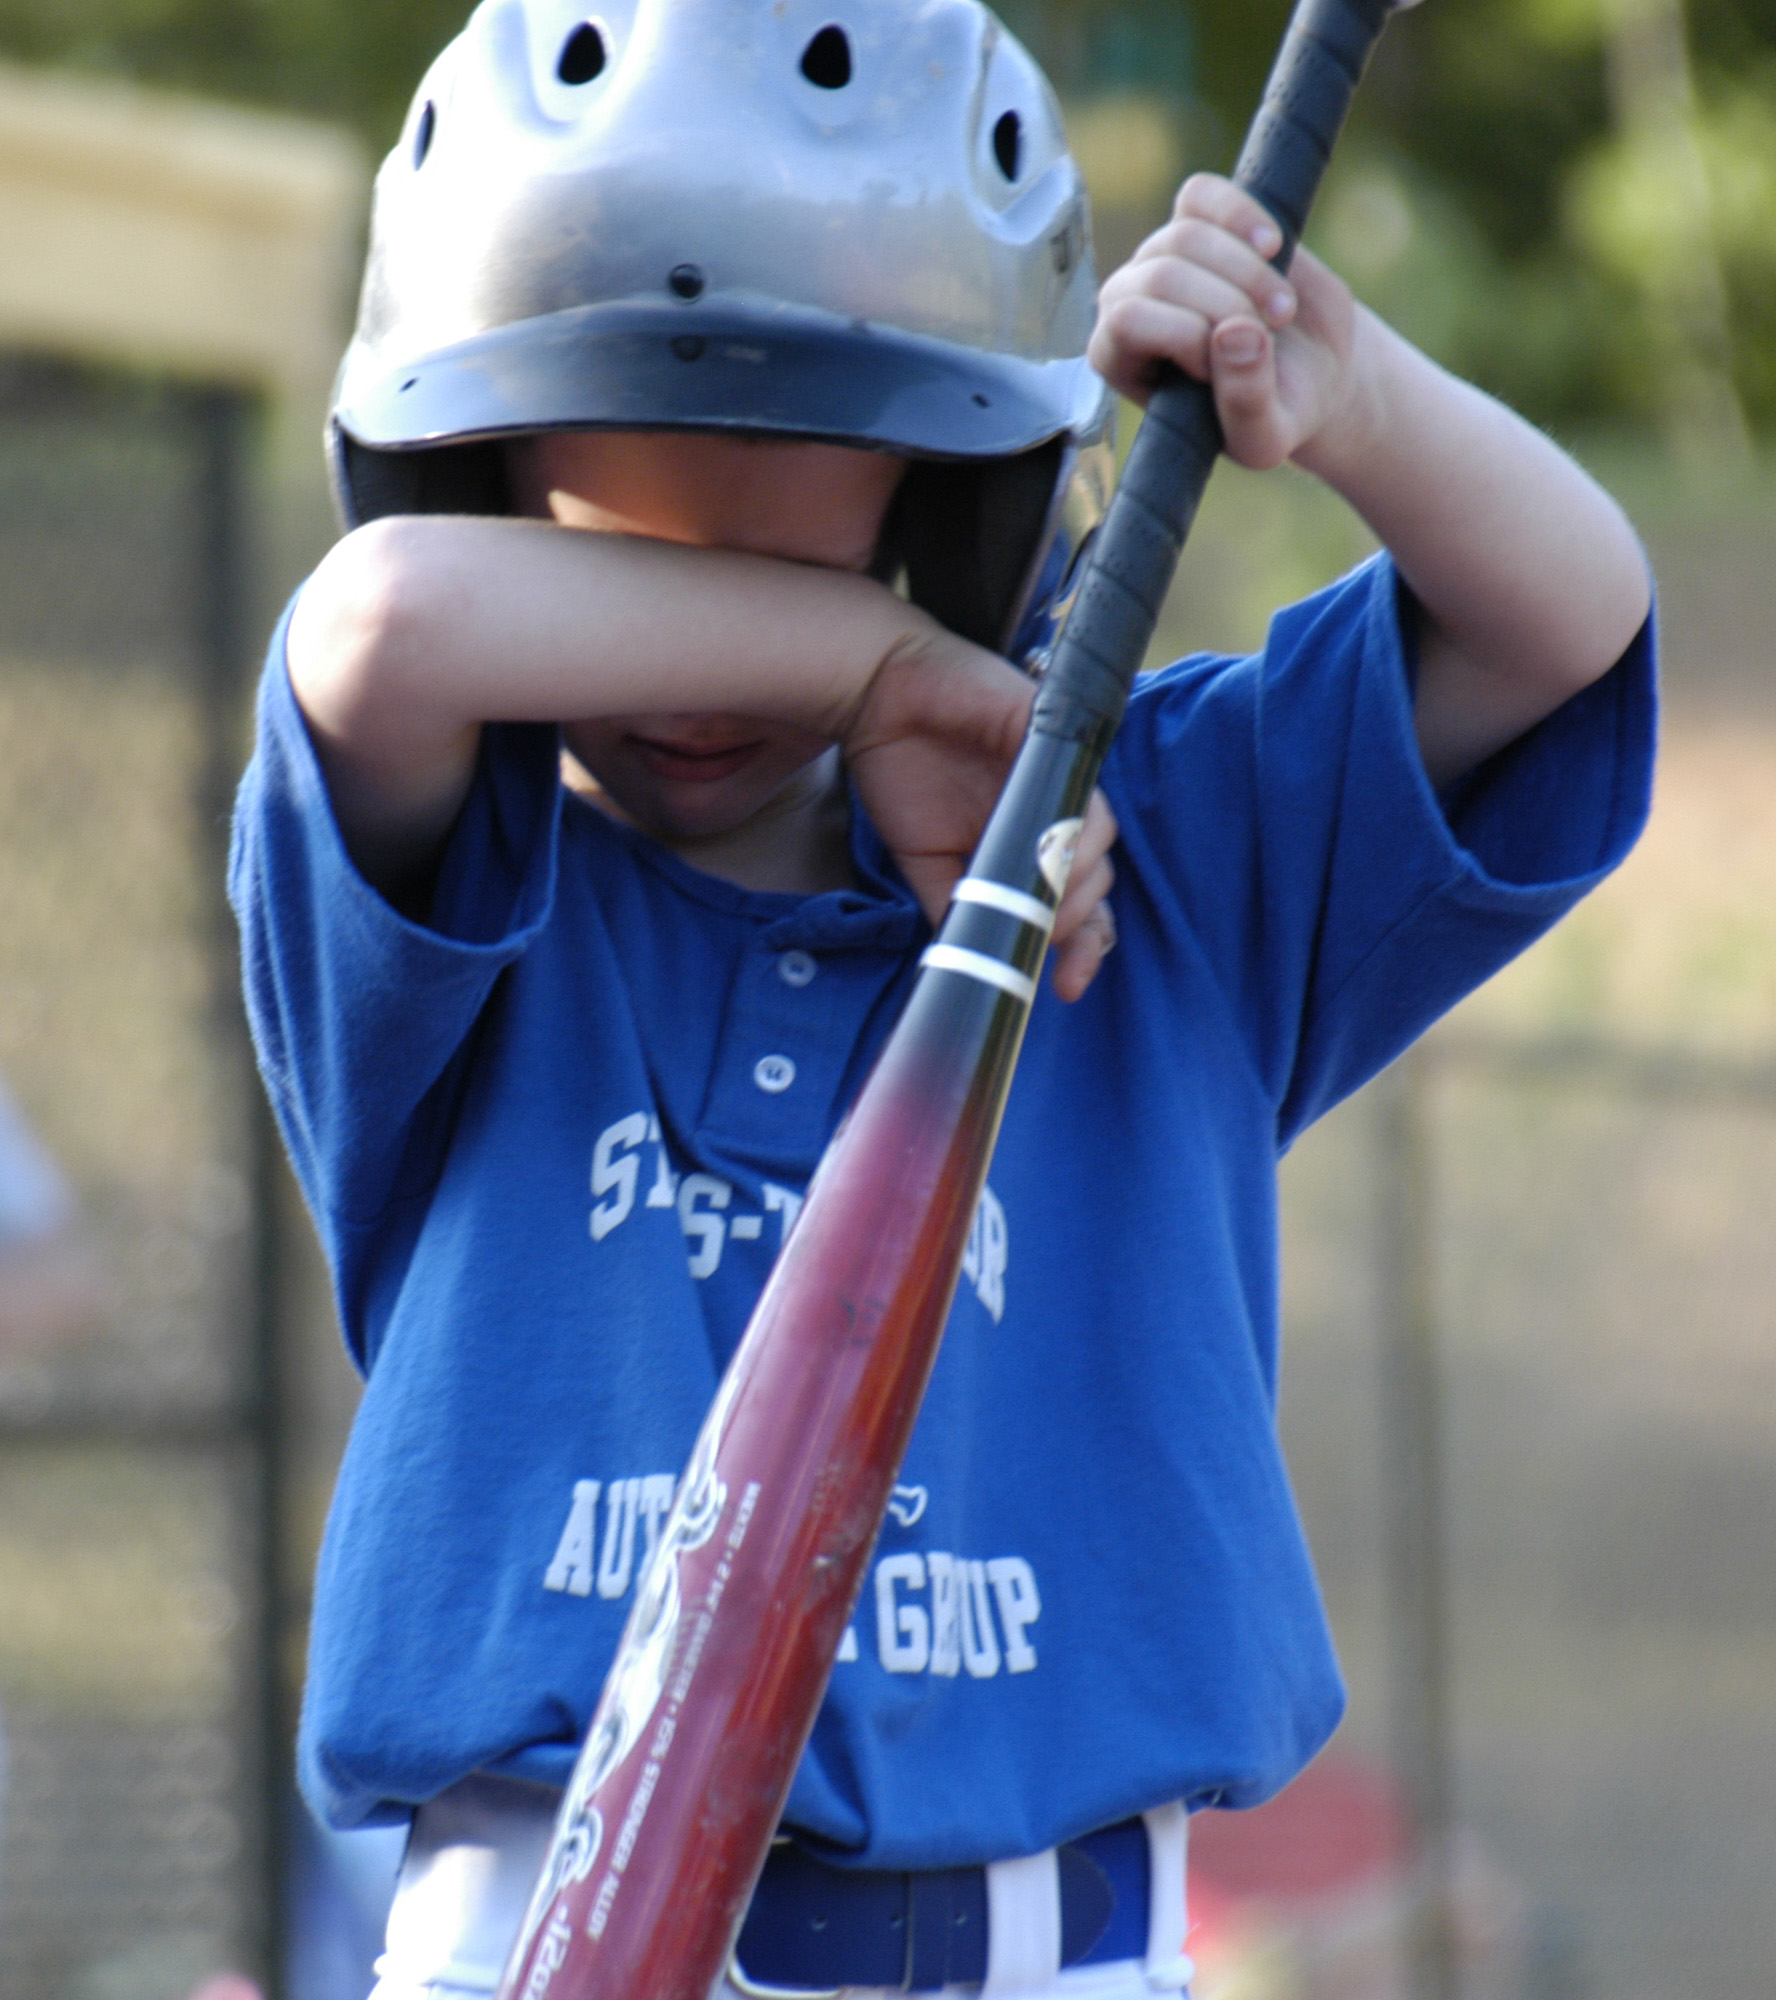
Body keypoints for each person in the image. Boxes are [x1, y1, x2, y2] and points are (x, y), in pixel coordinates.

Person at [228, 0, 1655, 1995]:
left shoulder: (1154, 848)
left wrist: (1341, 391)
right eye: (626, 526)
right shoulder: (447, 891)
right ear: (473, 478)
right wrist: (893, 675)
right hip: (564, 1937)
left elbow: (1571, 623)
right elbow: (370, 626)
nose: (702, 646)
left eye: (794, 487)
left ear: (956, 490)